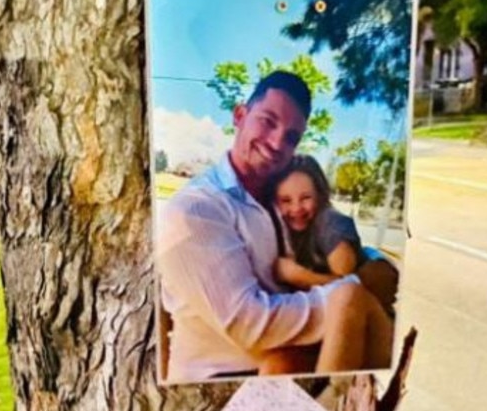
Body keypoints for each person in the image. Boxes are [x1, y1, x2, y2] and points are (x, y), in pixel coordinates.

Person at [157, 71, 392, 383]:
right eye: (268, 121)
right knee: (352, 301)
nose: (277, 142)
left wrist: (372, 263)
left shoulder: (279, 199)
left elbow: (330, 235)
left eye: (292, 136)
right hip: (219, 384)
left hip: (290, 363)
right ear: (240, 115)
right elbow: (250, 325)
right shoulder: (196, 210)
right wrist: (345, 294)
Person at [265, 154, 399, 319]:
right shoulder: (281, 229)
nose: (296, 208)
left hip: (367, 319)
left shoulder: (329, 221)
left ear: (320, 195)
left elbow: (348, 282)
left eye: (306, 198)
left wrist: (300, 277)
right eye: (286, 200)